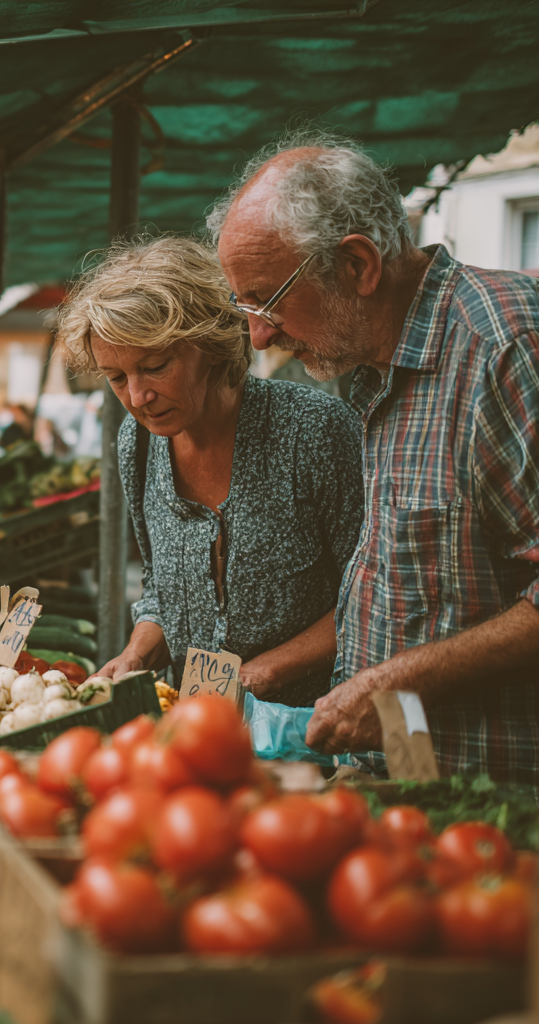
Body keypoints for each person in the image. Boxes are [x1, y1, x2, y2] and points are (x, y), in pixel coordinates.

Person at [211, 128, 539, 786]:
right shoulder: (378, 370)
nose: (257, 334)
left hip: (521, 811)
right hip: (410, 781)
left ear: (360, 266)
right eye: (243, 304)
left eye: (269, 300)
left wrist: (404, 680)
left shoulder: (507, 348)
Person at [56, 235, 364, 699]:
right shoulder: (137, 443)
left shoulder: (315, 431)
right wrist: (137, 655)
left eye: (156, 366)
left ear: (212, 344)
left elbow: (374, 596)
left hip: (317, 731)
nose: (138, 398)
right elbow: (165, 588)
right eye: (117, 378)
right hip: (197, 731)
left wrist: (265, 673)